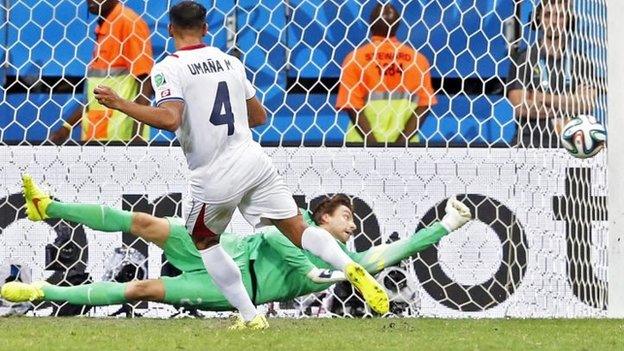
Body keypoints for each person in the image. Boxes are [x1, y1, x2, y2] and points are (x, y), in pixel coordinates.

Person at [85, 1, 388, 329]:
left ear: (170, 29)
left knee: (204, 241)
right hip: (254, 161)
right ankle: (348, 266)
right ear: (206, 29)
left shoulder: (168, 67)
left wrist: (121, 104)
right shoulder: (230, 62)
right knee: (299, 230)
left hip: (215, 173)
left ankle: (250, 316)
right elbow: (259, 116)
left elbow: (171, 119)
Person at [1, 176, 472, 317]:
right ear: (322, 218)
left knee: (141, 289)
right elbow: (268, 233)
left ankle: (39, 292)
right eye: (346, 217)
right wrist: (311, 272)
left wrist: (447, 225)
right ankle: (51, 207)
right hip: (219, 245)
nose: (353, 227)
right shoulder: (297, 226)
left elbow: (401, 248)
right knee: (144, 222)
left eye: (353, 220)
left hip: (230, 285)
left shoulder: (350, 261)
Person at [50, 0, 154, 143]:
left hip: (121, 140)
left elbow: (145, 80)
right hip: (96, 137)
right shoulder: (104, 26)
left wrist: (137, 136)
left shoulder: (129, 22)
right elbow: (95, 97)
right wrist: (67, 127)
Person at [335, 3, 437, 146]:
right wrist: (402, 144)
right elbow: (424, 105)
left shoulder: (355, 59)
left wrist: (374, 147)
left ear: (370, 24)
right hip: (406, 148)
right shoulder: (418, 60)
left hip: (360, 146)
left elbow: (352, 107)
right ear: (398, 24)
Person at [506, 0, 596, 148]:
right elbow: (522, 107)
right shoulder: (523, 58)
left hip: (573, 147)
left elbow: (587, 104)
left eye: (560, 16)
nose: (554, 21)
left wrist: (539, 97)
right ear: (538, 18)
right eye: (548, 15)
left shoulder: (582, 62)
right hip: (530, 145)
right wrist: (571, 103)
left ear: (568, 19)